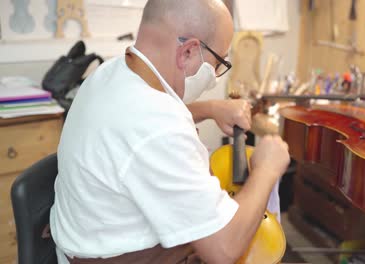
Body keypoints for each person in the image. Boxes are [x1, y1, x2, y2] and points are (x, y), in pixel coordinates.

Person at [49, 0, 290, 263]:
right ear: (187, 52)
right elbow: (223, 249)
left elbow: (143, 124)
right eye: (218, 63)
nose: (215, 76)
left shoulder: (111, 72)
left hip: (82, 238)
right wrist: (268, 169)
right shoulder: (158, 125)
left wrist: (210, 108)